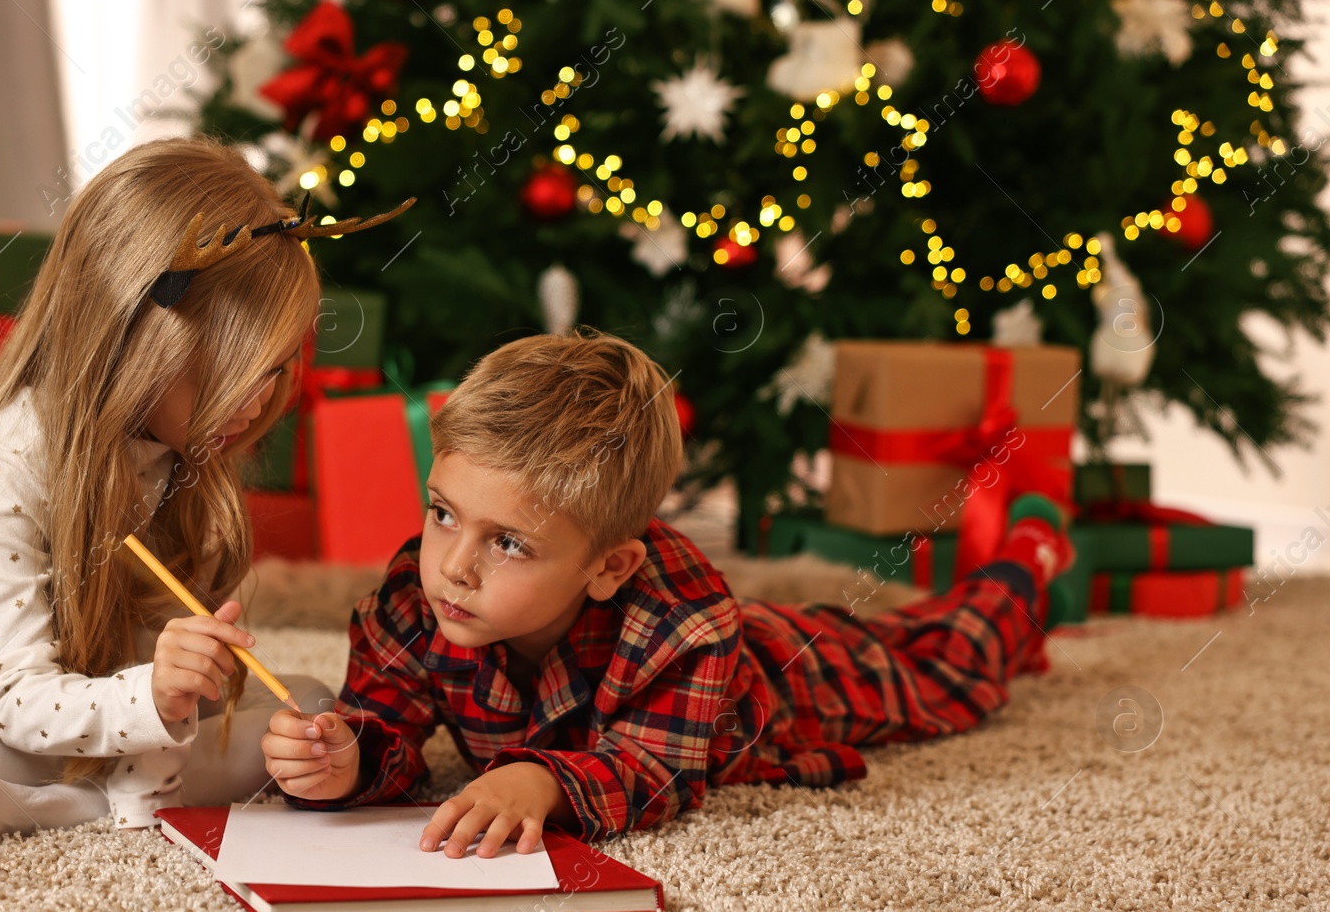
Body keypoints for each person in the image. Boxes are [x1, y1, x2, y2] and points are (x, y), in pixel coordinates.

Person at [261, 329, 1075, 860]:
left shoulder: (683, 623)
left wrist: (541, 781)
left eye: (507, 542)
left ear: (609, 567)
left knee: (953, 661)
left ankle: (1027, 558)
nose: (455, 567)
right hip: (734, 650)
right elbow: (388, 724)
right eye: (443, 514)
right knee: (924, 627)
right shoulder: (419, 593)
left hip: (793, 677)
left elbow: (655, 771)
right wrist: (347, 758)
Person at [0, 136, 356, 847]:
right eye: (236, 370)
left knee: (309, 708)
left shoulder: (189, 457)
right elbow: (16, 701)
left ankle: (77, 794)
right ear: (140, 338)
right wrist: (151, 698)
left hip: (102, 709)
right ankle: (107, 792)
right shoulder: (5, 467)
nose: (260, 401)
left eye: (278, 369)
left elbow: (147, 667)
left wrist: (179, 680)